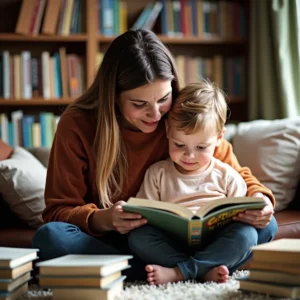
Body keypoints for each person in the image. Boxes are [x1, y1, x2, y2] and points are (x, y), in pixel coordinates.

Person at [32, 29, 277, 282]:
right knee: (51, 238)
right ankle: (203, 267)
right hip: (128, 241)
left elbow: (234, 172)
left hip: (194, 240)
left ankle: (174, 271)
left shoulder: (181, 116)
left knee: (267, 226)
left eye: (163, 99)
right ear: (113, 97)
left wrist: (261, 200)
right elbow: (58, 211)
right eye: (139, 105)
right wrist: (106, 219)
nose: (156, 115)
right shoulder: (78, 124)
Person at [128, 81, 273, 285]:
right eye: (179, 145)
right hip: (172, 244)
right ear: (168, 130)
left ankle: (180, 272)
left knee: (246, 235)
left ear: (219, 138)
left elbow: (240, 214)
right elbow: (146, 213)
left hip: (215, 241)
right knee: (138, 237)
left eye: (201, 147)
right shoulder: (157, 173)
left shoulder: (227, 175)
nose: (189, 155)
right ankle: (205, 270)